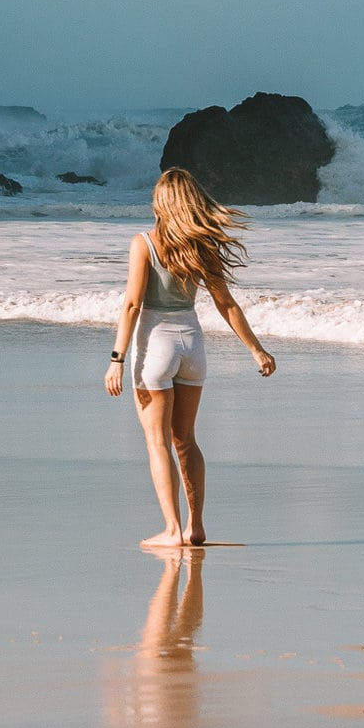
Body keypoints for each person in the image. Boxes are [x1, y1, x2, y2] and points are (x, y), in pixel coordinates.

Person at [104, 168, 275, 547]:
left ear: (161, 203)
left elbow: (132, 304)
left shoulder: (143, 244)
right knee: (186, 440)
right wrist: (256, 349)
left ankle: (171, 530)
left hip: (156, 346)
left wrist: (117, 358)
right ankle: (195, 526)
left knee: (157, 442)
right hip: (192, 345)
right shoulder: (202, 246)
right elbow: (226, 304)